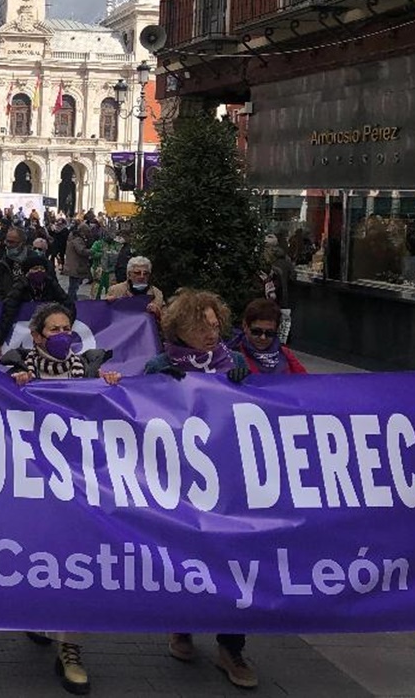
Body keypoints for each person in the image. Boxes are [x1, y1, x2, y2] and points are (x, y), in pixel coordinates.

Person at [2, 301, 118, 696]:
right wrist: (11, 384)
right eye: (53, 329)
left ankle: (70, 648)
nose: (62, 334)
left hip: (78, 481)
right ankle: (38, 613)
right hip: (32, 479)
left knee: (76, 557)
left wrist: (112, 386)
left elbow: (107, 409)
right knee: (40, 552)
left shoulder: (86, 368)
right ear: (36, 336)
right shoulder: (19, 367)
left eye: (67, 327)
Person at [142, 289, 255, 690]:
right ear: (179, 328)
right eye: (199, 325)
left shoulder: (234, 362)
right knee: (187, 552)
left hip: (228, 477)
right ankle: (183, 626)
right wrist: (156, 385)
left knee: (233, 556)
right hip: (183, 479)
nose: (210, 333)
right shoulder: (160, 364)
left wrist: (249, 386)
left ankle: (231, 645)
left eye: (213, 324)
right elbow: (136, 414)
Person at [0, 251, 72, 362]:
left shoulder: (50, 283)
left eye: (42, 268)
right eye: (35, 269)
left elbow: (67, 303)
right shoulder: (20, 286)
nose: (39, 271)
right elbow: (8, 313)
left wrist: (67, 326)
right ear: (27, 272)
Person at [235, 298, 307, 374]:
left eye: (269, 333)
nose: (263, 337)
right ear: (245, 326)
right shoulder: (233, 356)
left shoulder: (285, 353)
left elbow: (305, 381)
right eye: (256, 332)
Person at [0, 226, 28, 301]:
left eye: (12, 242)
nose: (8, 245)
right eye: (7, 241)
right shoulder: (2, 264)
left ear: (22, 243)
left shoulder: (35, 260)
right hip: (7, 304)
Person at [63, 225, 92, 301]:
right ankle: (70, 301)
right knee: (74, 286)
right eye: (87, 231)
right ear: (82, 231)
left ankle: (73, 300)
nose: (88, 233)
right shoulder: (78, 240)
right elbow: (81, 251)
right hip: (75, 266)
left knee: (73, 285)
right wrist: (92, 251)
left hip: (71, 265)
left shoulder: (72, 237)